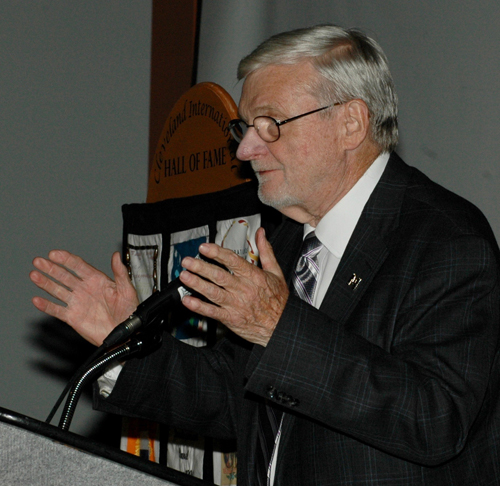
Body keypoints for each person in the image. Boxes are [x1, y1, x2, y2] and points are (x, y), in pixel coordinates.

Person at [30, 24, 500, 485]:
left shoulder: (446, 238)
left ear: (350, 123)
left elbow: (436, 419)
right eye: (244, 127)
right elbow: (236, 396)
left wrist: (280, 327)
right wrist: (123, 349)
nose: (246, 149)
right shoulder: (287, 239)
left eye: (270, 124)